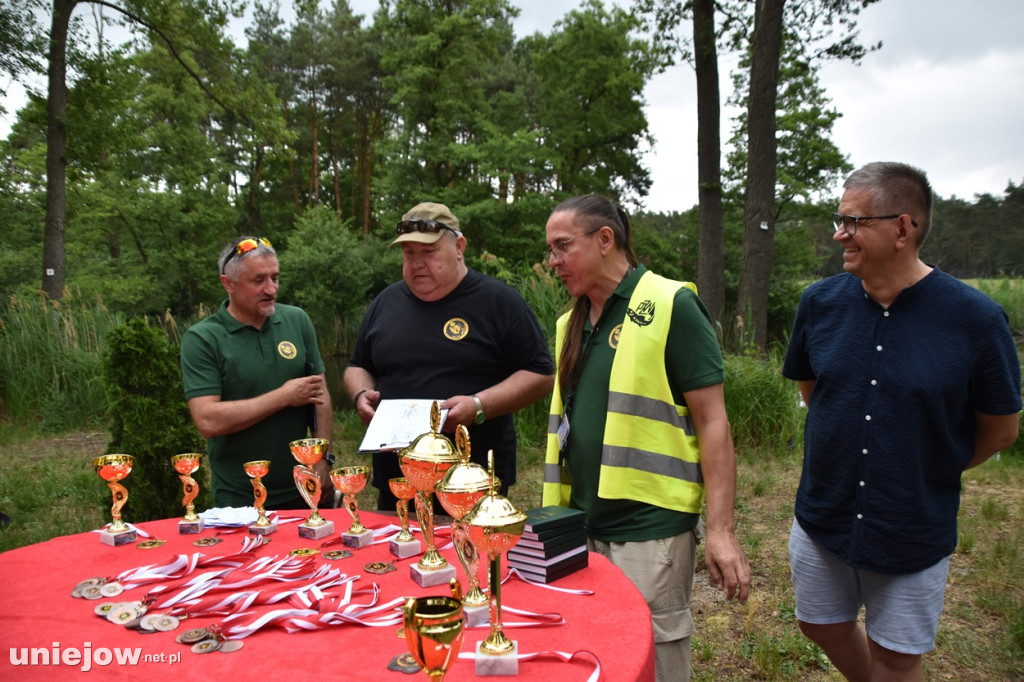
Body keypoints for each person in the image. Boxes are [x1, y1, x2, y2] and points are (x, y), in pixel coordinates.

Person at [783, 162, 1022, 681]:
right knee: (819, 623)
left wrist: (932, 465)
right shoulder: (819, 304)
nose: (838, 232)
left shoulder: (976, 319)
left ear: (902, 228)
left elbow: (1001, 429)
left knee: (897, 658)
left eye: (852, 220)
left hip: (912, 523)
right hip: (823, 514)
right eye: (838, 218)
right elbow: (814, 390)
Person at [540, 194, 751, 682]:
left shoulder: (670, 303)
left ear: (605, 240)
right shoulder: (569, 323)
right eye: (551, 249)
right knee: (595, 649)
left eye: (562, 246)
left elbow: (714, 422)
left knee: (654, 653)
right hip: (577, 521)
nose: (552, 262)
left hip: (649, 525)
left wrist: (720, 530)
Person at [344, 202, 555, 510]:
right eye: (408, 254)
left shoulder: (499, 302)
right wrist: (360, 393)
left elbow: (540, 374)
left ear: (459, 247)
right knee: (399, 554)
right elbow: (358, 365)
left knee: (472, 557)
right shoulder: (385, 302)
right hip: (398, 477)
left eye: (427, 253)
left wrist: (479, 405)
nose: (416, 263)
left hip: (471, 476)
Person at [181, 236, 335, 510]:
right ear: (228, 284)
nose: (271, 288)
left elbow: (320, 394)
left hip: (303, 487)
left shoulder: (296, 320)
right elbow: (208, 420)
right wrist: (284, 396)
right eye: (259, 280)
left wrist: (323, 460)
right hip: (240, 496)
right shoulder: (204, 338)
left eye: (275, 277)